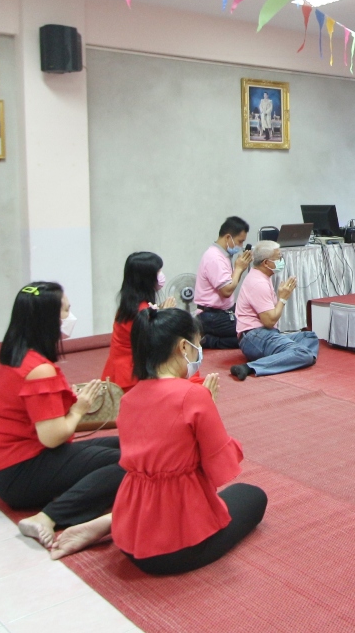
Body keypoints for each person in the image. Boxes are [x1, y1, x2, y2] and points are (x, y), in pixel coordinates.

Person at [49, 307, 268, 571]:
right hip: (178, 546)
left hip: (131, 538)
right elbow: (219, 469)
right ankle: (110, 523)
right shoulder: (192, 395)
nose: (199, 351)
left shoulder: (129, 398)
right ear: (183, 347)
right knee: (252, 495)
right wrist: (208, 409)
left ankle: (110, 522)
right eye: (197, 344)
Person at [0, 282, 124, 550]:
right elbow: (53, 437)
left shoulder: (18, 356)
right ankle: (48, 517)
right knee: (127, 463)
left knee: (126, 445)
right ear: (48, 319)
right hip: (20, 473)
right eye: (66, 311)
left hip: (13, 464)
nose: (70, 317)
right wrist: (79, 408)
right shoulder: (38, 369)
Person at [230, 241, 319, 380]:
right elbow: (269, 322)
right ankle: (250, 367)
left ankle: (289, 356)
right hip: (254, 338)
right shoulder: (258, 283)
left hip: (265, 334)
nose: (281, 260)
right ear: (266, 263)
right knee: (303, 354)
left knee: (310, 336)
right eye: (279, 258)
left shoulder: (261, 276)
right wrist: (282, 299)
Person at [101, 252, 176, 392]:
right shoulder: (141, 311)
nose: (161, 275)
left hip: (121, 369)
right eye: (158, 272)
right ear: (146, 278)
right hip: (130, 375)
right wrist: (165, 316)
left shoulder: (130, 305)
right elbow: (155, 343)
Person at [194, 216, 254, 350]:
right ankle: (209, 340)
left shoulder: (223, 255)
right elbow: (226, 291)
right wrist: (239, 269)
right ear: (228, 237)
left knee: (254, 322)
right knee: (252, 333)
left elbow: (231, 282)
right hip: (212, 316)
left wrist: (240, 268)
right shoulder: (215, 258)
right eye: (240, 241)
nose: (241, 246)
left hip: (223, 312)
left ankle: (210, 337)